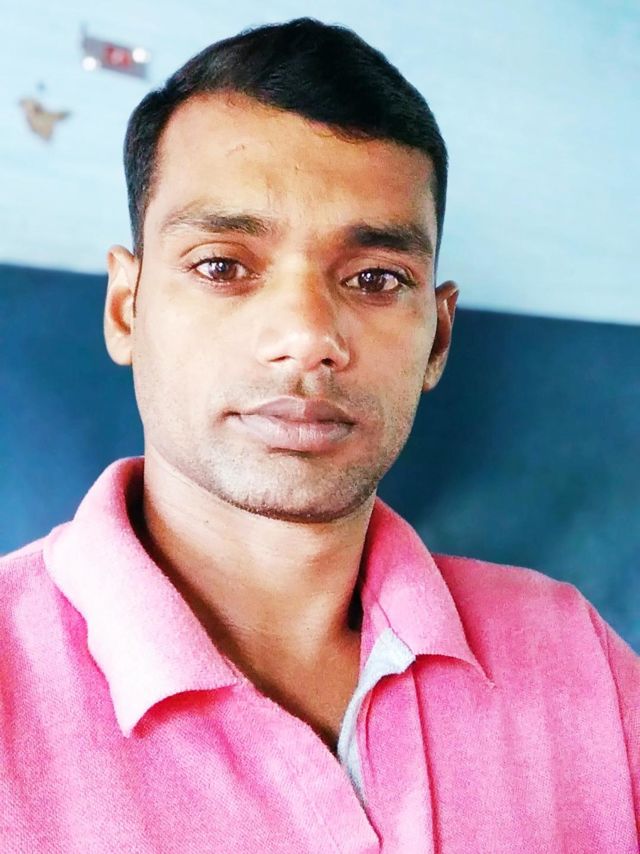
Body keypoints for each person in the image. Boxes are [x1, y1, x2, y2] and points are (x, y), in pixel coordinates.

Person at [1, 17, 637, 853]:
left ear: (438, 338)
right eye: (223, 265)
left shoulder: (577, 657)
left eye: (375, 278)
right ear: (127, 308)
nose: (308, 337)